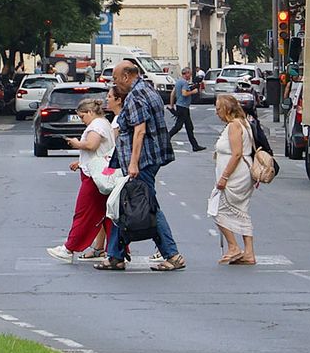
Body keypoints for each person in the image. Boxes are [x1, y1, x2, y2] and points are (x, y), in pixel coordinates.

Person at [97, 60, 186, 272]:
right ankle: (115, 255)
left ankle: (172, 255)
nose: (114, 83)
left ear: (126, 76)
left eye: (116, 79)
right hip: (149, 158)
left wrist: (134, 163)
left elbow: (140, 130)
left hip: (142, 160)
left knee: (149, 207)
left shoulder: (136, 96)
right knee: (124, 204)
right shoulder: (147, 90)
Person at [47, 96, 115, 262]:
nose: (82, 120)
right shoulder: (104, 123)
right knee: (108, 215)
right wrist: (81, 162)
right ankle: (116, 250)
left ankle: (69, 248)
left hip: (94, 176)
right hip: (103, 172)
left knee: (84, 213)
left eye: (82, 116)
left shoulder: (96, 125)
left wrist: (76, 143)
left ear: (90, 112)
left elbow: (92, 145)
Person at [212, 94, 257, 264]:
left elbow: (237, 154)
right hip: (242, 172)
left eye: (218, 109)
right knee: (241, 211)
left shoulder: (234, 126)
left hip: (236, 175)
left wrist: (224, 177)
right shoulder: (243, 122)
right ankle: (249, 252)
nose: (216, 112)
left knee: (216, 209)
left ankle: (233, 247)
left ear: (226, 109)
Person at [169, 67, 207, 152]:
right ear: (186, 74)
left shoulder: (178, 82)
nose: (190, 76)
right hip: (183, 107)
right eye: (189, 74)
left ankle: (195, 145)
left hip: (181, 106)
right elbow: (184, 93)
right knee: (178, 126)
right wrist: (193, 92)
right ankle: (166, 138)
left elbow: (172, 94)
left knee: (189, 126)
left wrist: (171, 105)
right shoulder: (184, 83)